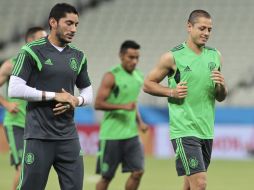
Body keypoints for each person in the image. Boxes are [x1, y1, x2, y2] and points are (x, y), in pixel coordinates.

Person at [8, 3, 93, 190]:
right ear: (53, 22)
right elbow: (14, 89)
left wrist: (76, 100)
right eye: (69, 23)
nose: (73, 29)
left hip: (69, 137)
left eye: (76, 24)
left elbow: (88, 92)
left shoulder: (79, 56)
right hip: (39, 137)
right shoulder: (30, 51)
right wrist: (55, 96)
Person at [143, 10, 227, 190]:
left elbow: (220, 97)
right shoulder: (173, 57)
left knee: (190, 185)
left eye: (209, 29)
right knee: (200, 184)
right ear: (189, 27)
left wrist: (221, 86)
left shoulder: (215, 56)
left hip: (206, 130)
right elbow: (148, 84)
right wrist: (172, 92)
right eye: (202, 28)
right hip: (184, 129)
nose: (206, 33)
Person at [95, 40, 148, 190]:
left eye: (137, 58)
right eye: (131, 57)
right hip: (111, 135)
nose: (134, 61)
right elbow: (98, 103)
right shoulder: (111, 76)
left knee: (138, 171)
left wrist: (140, 122)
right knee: (106, 178)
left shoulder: (138, 76)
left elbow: (133, 103)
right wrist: (123, 107)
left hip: (131, 134)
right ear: (121, 56)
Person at [0, 26, 46, 190]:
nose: (46, 42)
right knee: (23, 167)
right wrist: (6, 104)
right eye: (42, 39)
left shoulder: (43, 67)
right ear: (30, 41)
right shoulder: (11, 64)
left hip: (36, 125)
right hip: (16, 124)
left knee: (35, 169)